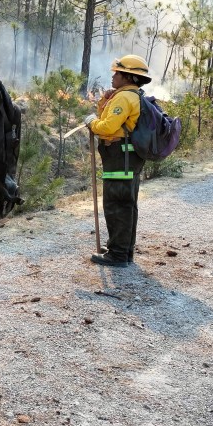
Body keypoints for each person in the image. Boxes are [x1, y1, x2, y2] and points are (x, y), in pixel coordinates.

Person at [84, 55, 151, 268]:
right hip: (128, 158)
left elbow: (106, 127)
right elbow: (110, 119)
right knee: (127, 204)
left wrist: (91, 123)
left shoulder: (124, 99)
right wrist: (105, 100)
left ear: (127, 76)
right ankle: (123, 250)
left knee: (116, 204)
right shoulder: (130, 96)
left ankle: (118, 255)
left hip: (120, 158)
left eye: (117, 73)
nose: (113, 76)